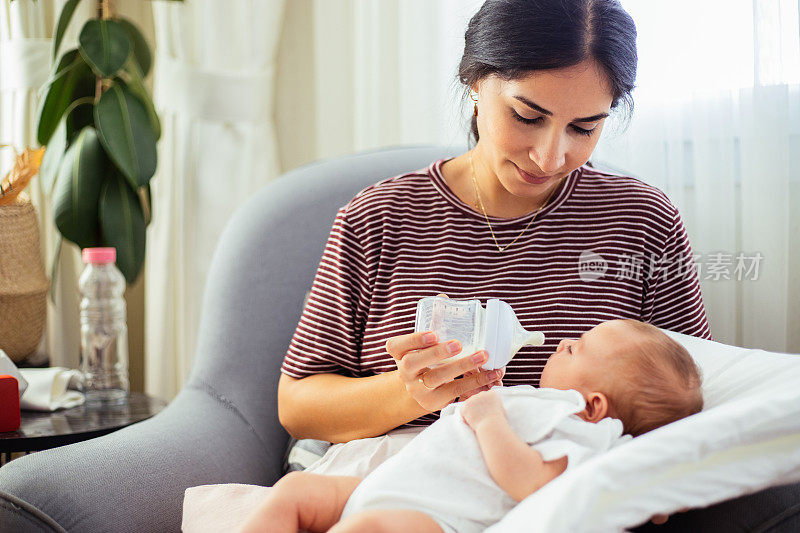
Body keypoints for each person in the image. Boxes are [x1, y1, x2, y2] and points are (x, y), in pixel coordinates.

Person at [275, 0, 799, 530]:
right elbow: (299, 405)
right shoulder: (381, 219)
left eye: (585, 127)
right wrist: (406, 392)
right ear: (476, 83)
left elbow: (683, 394)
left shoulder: (642, 222)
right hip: (392, 486)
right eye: (528, 117)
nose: (550, 158)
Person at [242, 319, 703, 532]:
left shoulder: (585, 433)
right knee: (294, 494)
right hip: (387, 483)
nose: (563, 340)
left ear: (595, 404)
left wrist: (488, 420)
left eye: (576, 348)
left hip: (435, 519)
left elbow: (531, 481)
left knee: (371, 529)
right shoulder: (543, 403)